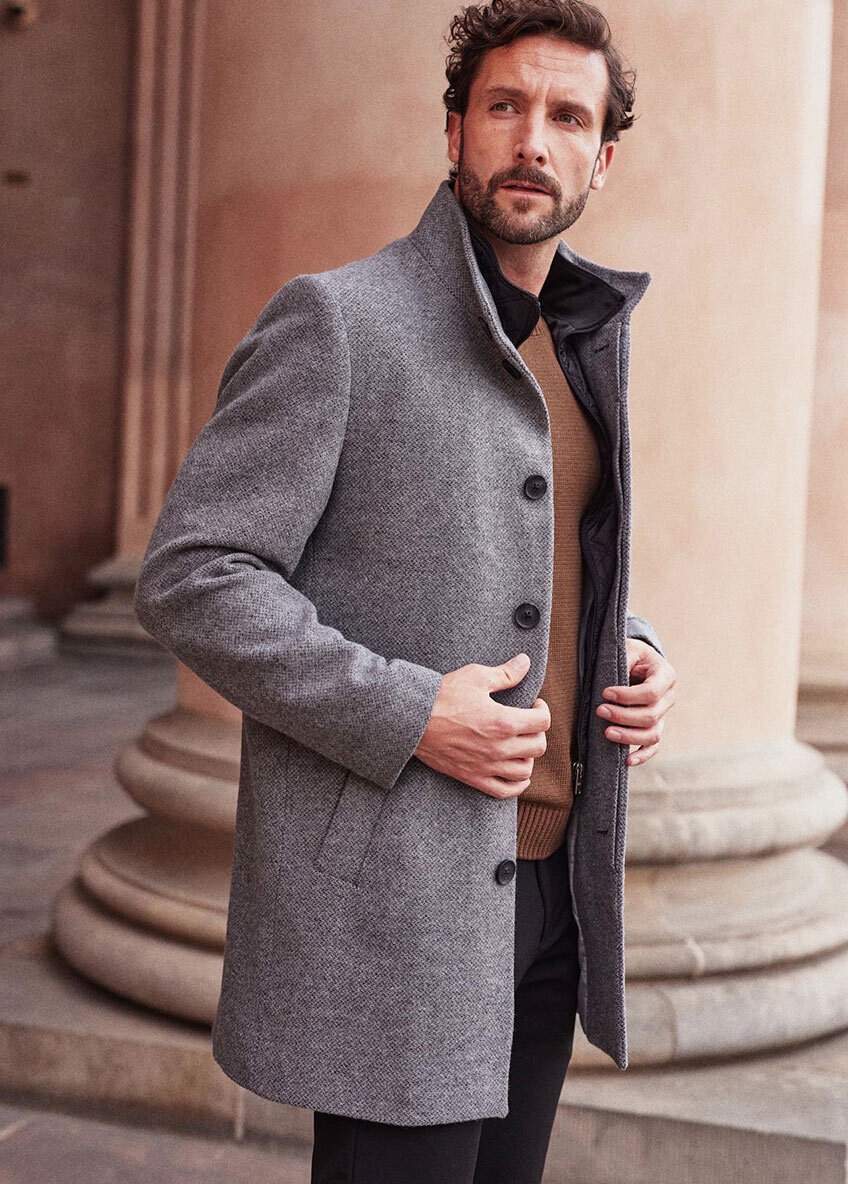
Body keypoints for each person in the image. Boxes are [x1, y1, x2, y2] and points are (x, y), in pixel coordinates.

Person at [133, 1, 676, 1180]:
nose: (530, 139)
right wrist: (409, 710)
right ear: (453, 130)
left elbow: (538, 552)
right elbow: (193, 574)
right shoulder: (338, 320)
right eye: (503, 106)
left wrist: (630, 644)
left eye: (565, 117)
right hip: (399, 901)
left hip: (552, 888)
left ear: (600, 158)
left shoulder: (589, 342)